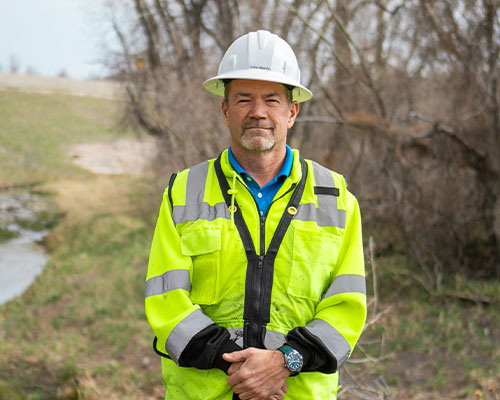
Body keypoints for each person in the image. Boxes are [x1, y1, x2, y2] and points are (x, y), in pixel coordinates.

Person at [145, 30, 367, 400]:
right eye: (244, 99)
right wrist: (243, 370)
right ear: (225, 110)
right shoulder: (184, 192)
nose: (258, 112)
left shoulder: (336, 198)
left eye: (272, 100)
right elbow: (166, 302)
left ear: (292, 112)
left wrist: (284, 362)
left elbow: (347, 308)